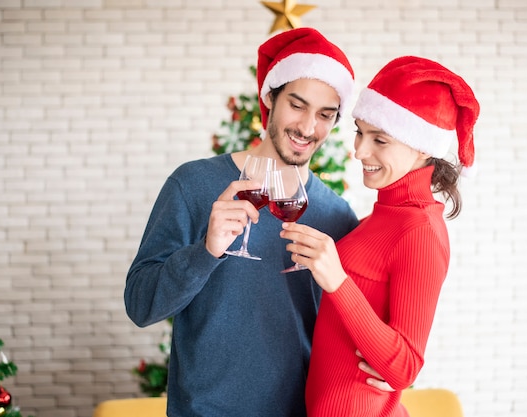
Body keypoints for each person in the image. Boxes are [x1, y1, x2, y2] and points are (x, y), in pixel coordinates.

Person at [125, 28, 364, 417]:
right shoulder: (193, 185)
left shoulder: (336, 216)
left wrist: (379, 371)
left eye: (325, 114)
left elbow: (352, 329)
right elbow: (140, 306)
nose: (307, 128)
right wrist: (204, 252)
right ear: (269, 97)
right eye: (297, 105)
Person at [279, 56, 480, 416]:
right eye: (359, 131)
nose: (359, 151)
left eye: (380, 140)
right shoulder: (383, 214)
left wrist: (337, 280)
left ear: (422, 147)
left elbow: (404, 367)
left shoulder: (420, 231)